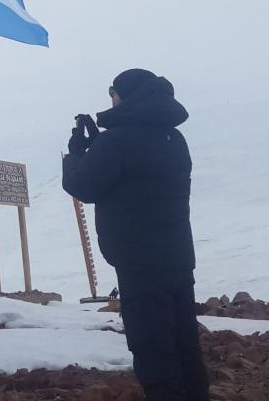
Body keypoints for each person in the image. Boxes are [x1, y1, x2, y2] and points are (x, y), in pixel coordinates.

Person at [63, 69, 207, 401]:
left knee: (153, 350)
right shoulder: (172, 136)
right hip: (178, 259)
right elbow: (136, 173)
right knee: (185, 347)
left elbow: (83, 185)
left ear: (127, 95)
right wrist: (97, 146)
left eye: (113, 91)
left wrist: (76, 153)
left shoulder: (120, 140)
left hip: (139, 264)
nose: (110, 97)